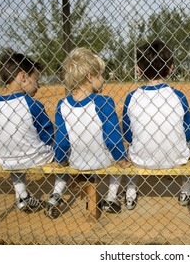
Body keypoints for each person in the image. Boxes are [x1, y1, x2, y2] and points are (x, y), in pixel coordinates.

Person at [48, 47, 131, 218]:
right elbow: (112, 139)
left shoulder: (62, 105)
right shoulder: (104, 102)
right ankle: (111, 197)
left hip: (76, 161)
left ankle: (56, 194)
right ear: (90, 77)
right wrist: (121, 160)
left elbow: (62, 141)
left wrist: (60, 160)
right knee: (119, 156)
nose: (103, 79)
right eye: (100, 75)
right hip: (102, 159)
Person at [122, 40, 190, 207]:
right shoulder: (179, 96)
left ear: (138, 70)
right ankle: (185, 190)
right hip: (177, 158)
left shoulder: (131, 97)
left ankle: (131, 192)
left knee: (129, 147)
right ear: (171, 68)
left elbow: (127, 134)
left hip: (141, 158)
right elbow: (188, 131)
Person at [0, 49, 54, 213]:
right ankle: (56, 194)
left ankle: (22, 196)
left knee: (16, 151)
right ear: (23, 77)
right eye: (36, 79)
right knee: (65, 146)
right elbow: (48, 135)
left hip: (4, 158)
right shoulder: (32, 105)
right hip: (35, 157)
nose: (39, 85)